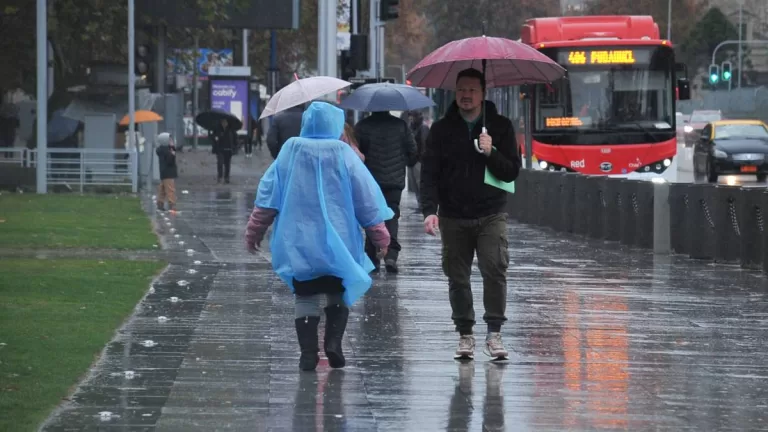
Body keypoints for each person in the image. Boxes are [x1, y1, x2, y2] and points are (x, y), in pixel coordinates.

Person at [244, 101, 393, 372]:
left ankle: (308, 353)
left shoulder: (291, 150)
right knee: (337, 292)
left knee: (305, 295)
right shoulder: (344, 153)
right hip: (339, 240)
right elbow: (366, 199)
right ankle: (333, 343)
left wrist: (254, 231)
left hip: (299, 241)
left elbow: (268, 196)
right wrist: (380, 235)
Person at [420, 68, 521, 361]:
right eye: (461, 90)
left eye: (472, 90)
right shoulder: (441, 130)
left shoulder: (500, 126)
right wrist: (430, 211)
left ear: (483, 94)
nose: (466, 95)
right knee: (457, 277)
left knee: (494, 268)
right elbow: (429, 174)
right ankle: (465, 333)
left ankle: (494, 332)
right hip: (453, 215)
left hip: (491, 212)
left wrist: (492, 152)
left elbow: (512, 170)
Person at [354, 110, 418, 273]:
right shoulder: (401, 126)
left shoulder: (362, 126)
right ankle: (391, 255)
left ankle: (372, 257)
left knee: (371, 217)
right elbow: (413, 153)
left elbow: (355, 154)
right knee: (392, 216)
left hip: (371, 181)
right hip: (394, 182)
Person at [407, 110, 430, 206]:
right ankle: (420, 203)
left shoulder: (423, 128)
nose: (410, 118)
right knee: (414, 186)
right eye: (409, 116)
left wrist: (420, 159)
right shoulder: (410, 127)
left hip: (418, 161)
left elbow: (424, 145)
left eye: (412, 116)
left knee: (420, 183)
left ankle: (423, 203)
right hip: (411, 161)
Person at [155, 132, 178, 212]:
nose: (171, 141)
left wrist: (172, 149)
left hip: (164, 173)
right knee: (170, 189)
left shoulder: (162, 149)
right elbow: (169, 161)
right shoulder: (166, 151)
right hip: (168, 173)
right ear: (165, 141)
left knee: (163, 189)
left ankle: (160, 204)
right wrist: (172, 153)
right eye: (169, 139)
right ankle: (172, 205)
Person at [211, 118, 237, 184]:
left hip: (228, 149)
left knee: (227, 164)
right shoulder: (217, 129)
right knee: (220, 163)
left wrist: (234, 147)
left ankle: (226, 177)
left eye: (225, 122)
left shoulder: (231, 129)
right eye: (223, 122)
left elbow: (235, 138)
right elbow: (213, 137)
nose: (224, 124)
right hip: (220, 149)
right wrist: (216, 137)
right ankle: (220, 176)